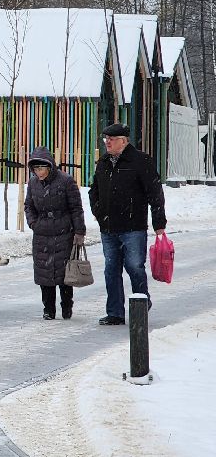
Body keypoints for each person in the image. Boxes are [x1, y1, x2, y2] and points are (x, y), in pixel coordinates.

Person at [88, 122, 168, 326]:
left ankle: (141, 303)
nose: (107, 142)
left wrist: (159, 222)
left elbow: (155, 193)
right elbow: (93, 190)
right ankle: (115, 312)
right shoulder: (104, 162)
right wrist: (98, 211)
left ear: (123, 141)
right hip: (108, 227)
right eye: (105, 139)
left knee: (134, 266)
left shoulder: (140, 161)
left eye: (111, 139)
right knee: (111, 269)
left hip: (133, 227)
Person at [23, 146, 86, 320]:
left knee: (65, 272)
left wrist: (79, 231)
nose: (38, 172)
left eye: (41, 168)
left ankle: (67, 305)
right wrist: (33, 222)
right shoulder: (33, 183)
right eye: (35, 169)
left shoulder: (66, 181)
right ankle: (48, 309)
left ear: (50, 166)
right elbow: (28, 206)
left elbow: (76, 208)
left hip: (64, 232)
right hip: (42, 232)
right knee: (44, 273)